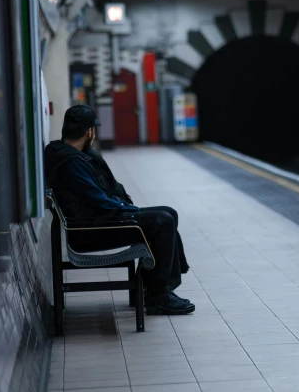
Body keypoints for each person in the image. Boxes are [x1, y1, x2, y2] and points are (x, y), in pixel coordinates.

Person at [45, 104, 195, 315]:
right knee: (162, 220)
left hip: (97, 220)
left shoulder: (75, 154)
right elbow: (97, 199)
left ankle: (152, 285)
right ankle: (157, 295)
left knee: (169, 212)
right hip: (89, 230)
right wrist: (127, 210)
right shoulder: (72, 162)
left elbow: (102, 196)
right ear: (90, 131)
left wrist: (128, 208)